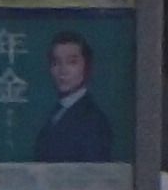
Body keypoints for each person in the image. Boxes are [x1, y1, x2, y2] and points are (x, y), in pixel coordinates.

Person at [31, 31, 115, 162]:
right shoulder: (56, 112)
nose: (62, 70)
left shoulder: (94, 121)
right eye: (56, 62)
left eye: (72, 62)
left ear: (86, 66)